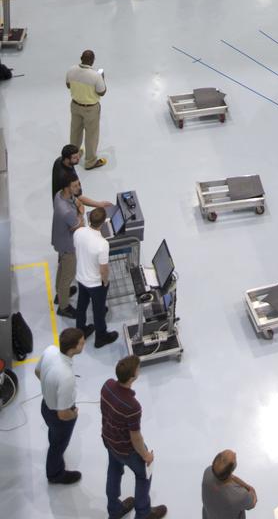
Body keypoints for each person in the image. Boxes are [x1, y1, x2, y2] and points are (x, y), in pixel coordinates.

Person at [101, 354, 168, 518]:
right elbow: (135, 437)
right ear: (133, 377)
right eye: (138, 369)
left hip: (109, 441)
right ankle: (143, 513)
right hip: (127, 450)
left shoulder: (107, 385)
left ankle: (114, 510)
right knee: (143, 476)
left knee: (114, 470)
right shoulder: (133, 406)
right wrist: (146, 455)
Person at [36, 327, 86, 486]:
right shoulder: (66, 377)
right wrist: (75, 414)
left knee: (54, 436)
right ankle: (55, 474)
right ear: (73, 349)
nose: (84, 343)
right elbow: (62, 415)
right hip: (59, 414)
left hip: (45, 406)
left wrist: (50, 386)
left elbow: (37, 371)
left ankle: (55, 450)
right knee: (58, 446)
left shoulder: (50, 350)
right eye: (81, 343)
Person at [74, 207, 118, 348]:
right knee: (98, 311)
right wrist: (105, 282)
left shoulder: (78, 232)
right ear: (104, 222)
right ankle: (101, 337)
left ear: (89, 219)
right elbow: (103, 269)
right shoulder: (102, 244)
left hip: (81, 277)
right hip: (95, 283)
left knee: (81, 305)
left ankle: (80, 330)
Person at [66, 49, 108, 170]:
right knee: (91, 135)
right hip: (90, 109)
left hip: (75, 105)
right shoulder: (95, 76)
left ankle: (73, 157)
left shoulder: (71, 70)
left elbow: (68, 85)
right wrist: (102, 79)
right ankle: (90, 162)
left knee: (75, 131)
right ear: (93, 61)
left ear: (81, 58)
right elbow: (102, 92)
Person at [52, 174, 84, 318]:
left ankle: (60, 295)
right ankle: (63, 307)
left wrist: (77, 205)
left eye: (78, 184)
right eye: (75, 186)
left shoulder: (59, 195)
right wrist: (81, 213)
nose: (78, 188)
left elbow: (75, 202)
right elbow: (79, 226)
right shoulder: (67, 212)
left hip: (59, 240)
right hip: (68, 246)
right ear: (67, 187)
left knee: (62, 267)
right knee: (68, 275)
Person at [201, 449, 257, 518]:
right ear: (231, 470)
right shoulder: (240, 496)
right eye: (235, 458)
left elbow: (231, 477)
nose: (235, 453)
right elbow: (252, 503)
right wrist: (251, 489)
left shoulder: (208, 472)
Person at [52, 144, 109, 209]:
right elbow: (79, 197)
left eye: (78, 155)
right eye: (75, 157)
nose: (78, 158)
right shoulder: (68, 178)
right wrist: (99, 204)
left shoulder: (59, 160)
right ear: (67, 159)